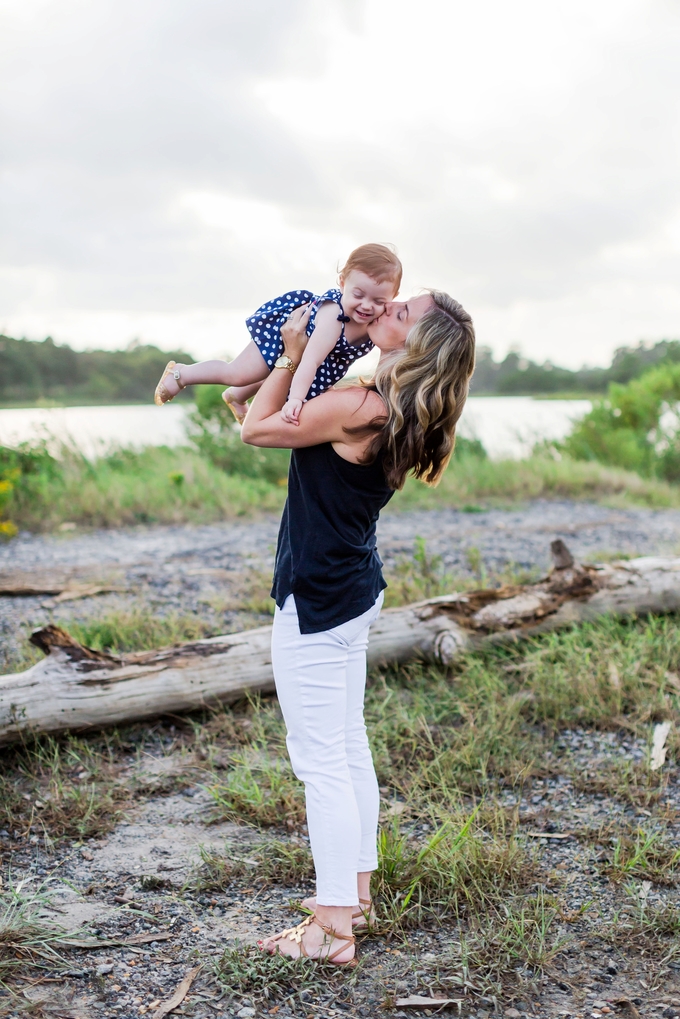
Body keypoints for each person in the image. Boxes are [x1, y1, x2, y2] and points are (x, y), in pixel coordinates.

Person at [240, 290, 476, 965]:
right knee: (345, 743)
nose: (388, 308)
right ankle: (355, 897)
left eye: (402, 313)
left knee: (321, 760)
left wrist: (288, 358)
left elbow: (255, 428)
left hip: (318, 599)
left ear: (415, 345)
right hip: (352, 591)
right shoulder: (405, 412)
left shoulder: (358, 405)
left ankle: (332, 929)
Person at [153, 243, 402, 423]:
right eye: (358, 295)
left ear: (393, 298)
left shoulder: (377, 322)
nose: (367, 305)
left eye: (378, 300)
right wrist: (296, 399)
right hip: (288, 340)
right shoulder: (333, 318)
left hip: (307, 360)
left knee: (274, 373)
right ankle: (182, 374)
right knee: (239, 373)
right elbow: (311, 361)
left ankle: (236, 397)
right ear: (342, 283)